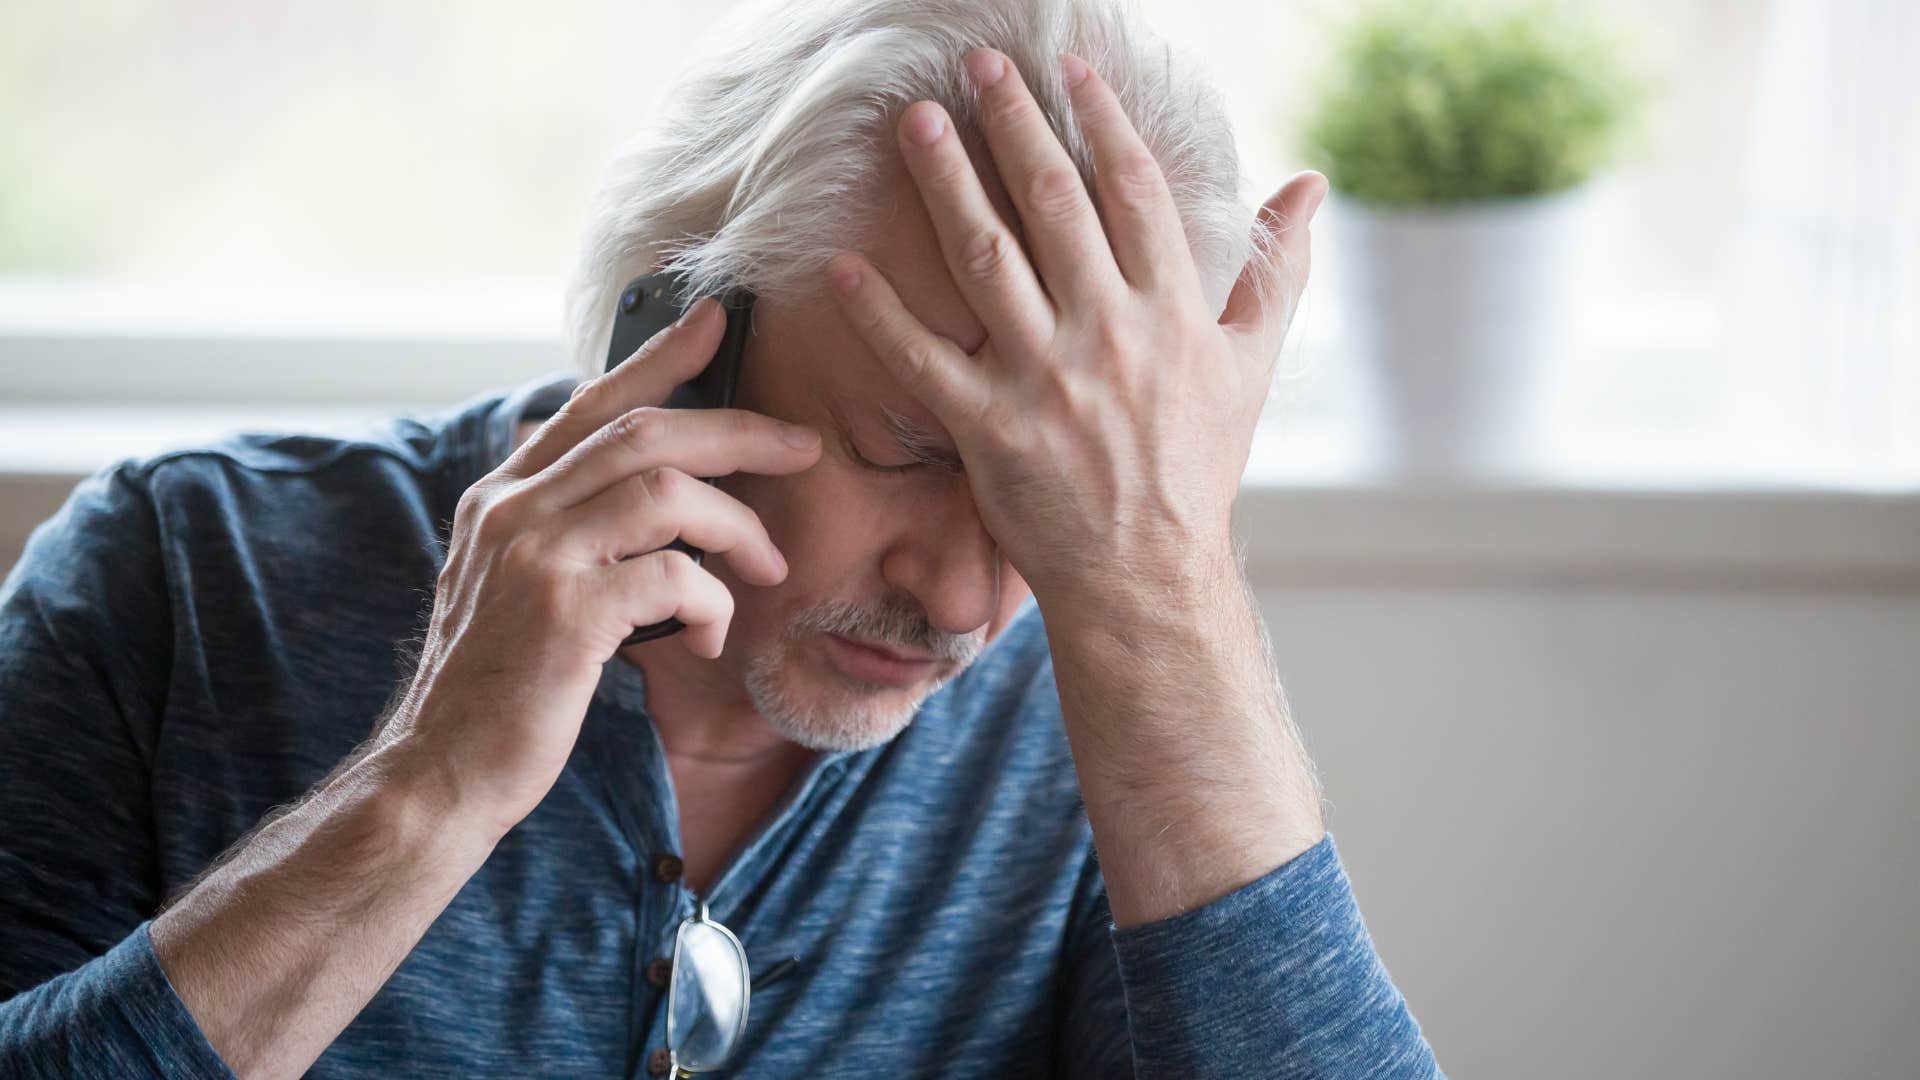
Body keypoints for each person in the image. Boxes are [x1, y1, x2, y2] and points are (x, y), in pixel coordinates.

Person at [0, 0, 1444, 1075]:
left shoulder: (1121, 716)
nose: (966, 595)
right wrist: (427, 794)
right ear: (678, 337)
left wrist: (1157, 580)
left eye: (1053, 495)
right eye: (914, 450)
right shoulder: (178, 578)